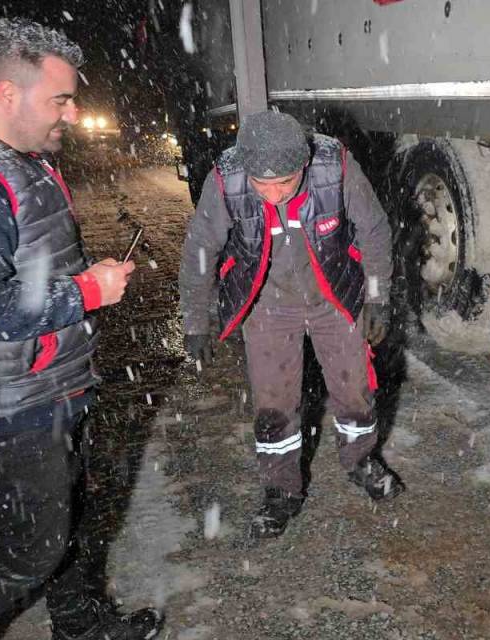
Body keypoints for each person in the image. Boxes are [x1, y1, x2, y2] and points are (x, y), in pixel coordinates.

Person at [0, 17, 163, 640]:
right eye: (61, 100)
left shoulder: (18, 156)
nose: (72, 114)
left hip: (44, 383)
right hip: (8, 404)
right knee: (33, 550)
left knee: (70, 516)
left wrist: (82, 280)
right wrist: (88, 292)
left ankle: (80, 626)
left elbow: (29, 263)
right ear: (8, 94)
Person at [179, 110, 402, 539]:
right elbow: (200, 249)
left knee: (354, 389)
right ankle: (280, 489)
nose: (275, 195)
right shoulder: (226, 179)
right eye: (262, 185)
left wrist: (377, 298)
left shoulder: (334, 166)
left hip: (332, 294)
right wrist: (196, 319)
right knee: (273, 403)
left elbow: (373, 229)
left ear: (304, 163)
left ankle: (361, 460)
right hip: (268, 304)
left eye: (285, 182)